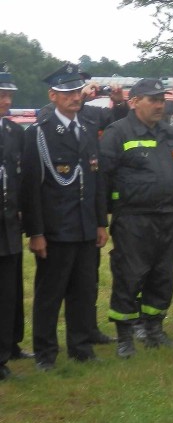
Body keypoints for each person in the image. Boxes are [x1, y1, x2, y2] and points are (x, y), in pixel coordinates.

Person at [22, 63, 108, 371]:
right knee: (50, 295)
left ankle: (81, 347)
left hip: (85, 227)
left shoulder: (86, 129)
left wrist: (100, 222)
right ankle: (46, 353)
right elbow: (31, 188)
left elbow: (96, 179)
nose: (74, 98)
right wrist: (36, 232)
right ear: (53, 96)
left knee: (84, 291)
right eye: (67, 92)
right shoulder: (39, 134)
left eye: (76, 91)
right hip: (57, 230)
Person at [99, 79, 173, 358]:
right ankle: (125, 336)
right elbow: (103, 178)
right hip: (133, 219)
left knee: (162, 276)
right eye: (152, 99)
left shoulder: (169, 133)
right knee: (129, 276)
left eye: (161, 99)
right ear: (134, 102)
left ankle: (154, 329)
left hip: (167, 217)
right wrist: (103, 219)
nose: (160, 105)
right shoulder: (117, 132)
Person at [0, 65, 27, 380]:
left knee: (10, 290)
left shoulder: (14, 132)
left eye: (8, 95)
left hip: (9, 225)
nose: (6, 101)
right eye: (2, 95)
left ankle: (10, 345)